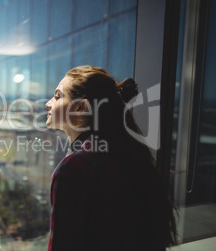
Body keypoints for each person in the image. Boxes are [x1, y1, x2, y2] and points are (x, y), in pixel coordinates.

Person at [45, 65, 177, 251]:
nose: (48, 103)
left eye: (58, 96)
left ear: (82, 107)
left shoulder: (75, 167)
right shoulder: (124, 153)